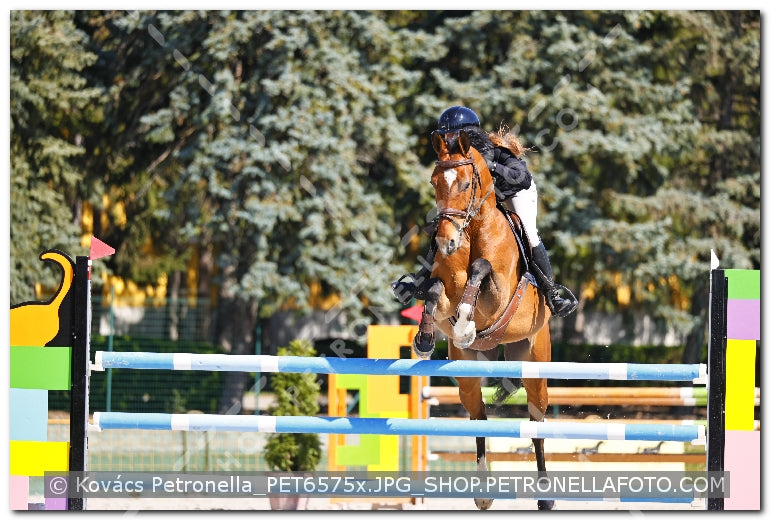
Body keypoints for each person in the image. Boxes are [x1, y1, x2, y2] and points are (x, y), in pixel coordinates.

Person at [392, 105, 578, 318]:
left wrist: (492, 166)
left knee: (528, 233)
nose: (448, 140)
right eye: (445, 136)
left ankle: (552, 294)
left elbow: (522, 178)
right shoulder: (456, 159)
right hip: (485, 201)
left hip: (515, 193)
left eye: (452, 135)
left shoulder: (497, 150)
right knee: (443, 227)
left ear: (468, 134)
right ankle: (418, 282)